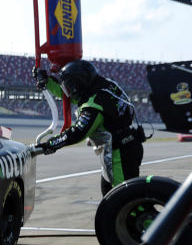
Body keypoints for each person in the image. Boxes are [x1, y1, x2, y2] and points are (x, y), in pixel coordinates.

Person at [32, 60, 145, 194]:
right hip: (126, 144)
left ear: (78, 84)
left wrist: (48, 145)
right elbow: (68, 95)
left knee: (124, 200)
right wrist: (48, 81)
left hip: (120, 153)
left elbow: (77, 133)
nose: (68, 91)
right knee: (110, 196)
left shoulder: (94, 104)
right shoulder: (104, 85)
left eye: (69, 86)